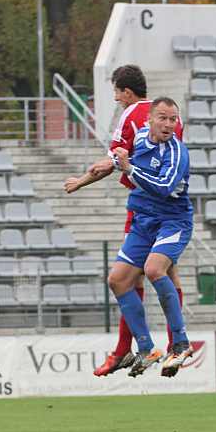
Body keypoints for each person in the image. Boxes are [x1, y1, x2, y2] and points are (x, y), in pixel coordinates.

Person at [64, 65, 186, 376]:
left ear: (127, 92)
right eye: (164, 119)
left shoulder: (133, 115)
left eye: (117, 92)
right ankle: (153, 348)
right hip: (150, 207)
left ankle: (160, 347)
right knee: (139, 277)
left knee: (147, 274)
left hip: (159, 210)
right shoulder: (161, 121)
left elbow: (112, 163)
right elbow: (122, 161)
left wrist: (80, 181)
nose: (117, 98)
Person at [107, 97, 194, 378]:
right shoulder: (141, 138)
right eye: (163, 118)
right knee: (117, 280)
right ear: (149, 120)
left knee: (154, 269)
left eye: (173, 119)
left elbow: (164, 187)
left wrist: (129, 168)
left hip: (173, 221)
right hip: (144, 222)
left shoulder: (177, 152)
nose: (169, 124)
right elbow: (120, 158)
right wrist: (101, 167)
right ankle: (146, 348)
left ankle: (180, 343)